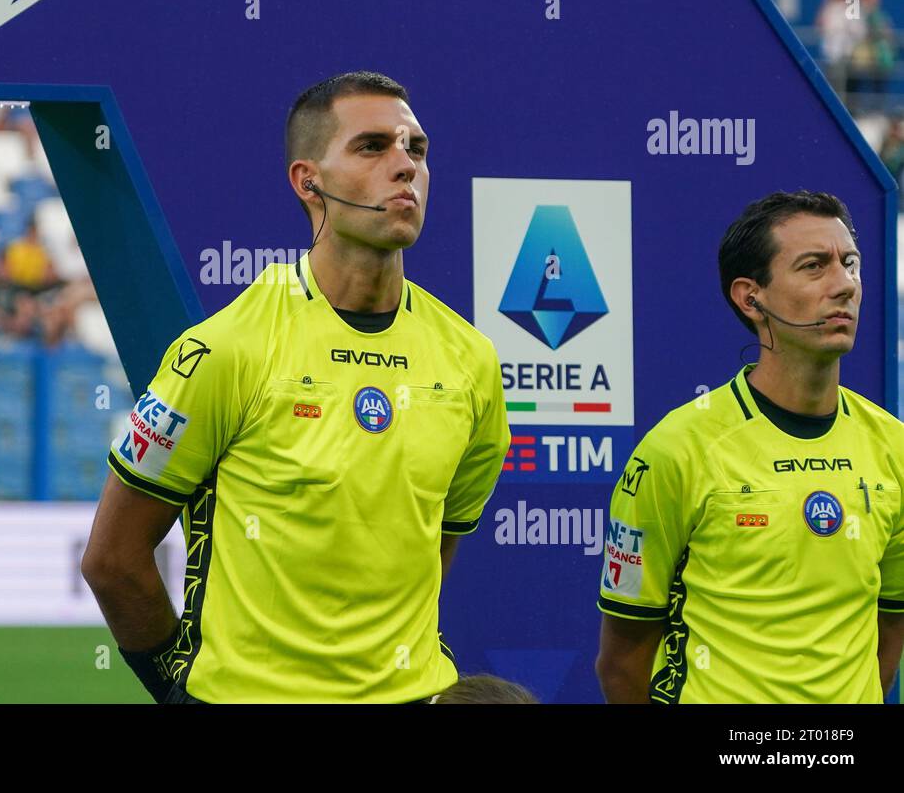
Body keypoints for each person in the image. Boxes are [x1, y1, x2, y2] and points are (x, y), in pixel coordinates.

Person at [81, 71, 511, 703]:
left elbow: (433, 549)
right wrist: (177, 690)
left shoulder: (471, 362)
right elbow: (113, 561)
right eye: (373, 147)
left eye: (415, 149)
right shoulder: (225, 350)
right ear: (309, 181)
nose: (405, 168)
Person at [595, 191, 904, 703]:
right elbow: (623, 660)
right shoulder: (679, 448)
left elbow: (888, 634)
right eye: (814, 266)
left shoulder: (893, 447)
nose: (844, 284)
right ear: (750, 297)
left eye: (851, 264)